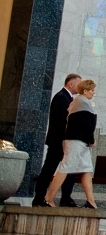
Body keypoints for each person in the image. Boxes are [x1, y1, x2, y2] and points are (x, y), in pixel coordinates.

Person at [44, 79, 100, 209]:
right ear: (85, 91)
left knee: (87, 169)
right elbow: (86, 125)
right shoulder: (82, 102)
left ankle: (91, 202)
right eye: (92, 90)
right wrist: (91, 140)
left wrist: (89, 140)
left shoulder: (81, 101)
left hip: (79, 141)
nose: (93, 93)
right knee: (65, 168)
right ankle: (48, 198)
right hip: (75, 141)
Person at [32, 73, 82, 207]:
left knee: (69, 170)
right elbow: (62, 121)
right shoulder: (61, 98)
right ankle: (39, 198)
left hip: (64, 141)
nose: (81, 86)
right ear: (71, 84)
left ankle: (65, 198)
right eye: (79, 83)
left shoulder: (68, 98)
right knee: (49, 170)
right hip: (58, 142)